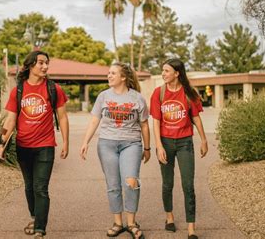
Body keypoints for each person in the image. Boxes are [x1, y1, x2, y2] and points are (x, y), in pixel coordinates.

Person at [0, 50, 69, 239]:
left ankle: (40, 230)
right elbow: (10, 120)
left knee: (40, 188)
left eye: (47, 63)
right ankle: (35, 217)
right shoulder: (18, 90)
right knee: (29, 186)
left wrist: (66, 142)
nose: (45, 66)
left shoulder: (54, 89)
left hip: (45, 146)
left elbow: (62, 117)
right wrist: (1, 142)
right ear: (30, 66)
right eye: (41, 63)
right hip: (23, 146)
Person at [80, 62, 150, 239]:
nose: (109, 76)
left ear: (123, 77)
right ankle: (118, 223)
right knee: (113, 185)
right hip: (107, 144)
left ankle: (132, 223)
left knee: (131, 182)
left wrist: (147, 148)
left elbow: (144, 125)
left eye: (113, 73)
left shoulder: (137, 98)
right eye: (108, 73)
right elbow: (95, 120)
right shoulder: (103, 96)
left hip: (131, 144)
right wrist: (85, 141)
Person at [149, 58, 208, 239]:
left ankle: (191, 229)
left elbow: (196, 118)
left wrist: (203, 140)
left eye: (167, 71)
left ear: (177, 73)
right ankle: (169, 218)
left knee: (188, 185)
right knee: (168, 184)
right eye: (163, 71)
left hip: (185, 143)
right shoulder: (158, 93)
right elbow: (156, 122)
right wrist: (158, 146)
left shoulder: (189, 93)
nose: (163, 74)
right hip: (165, 143)